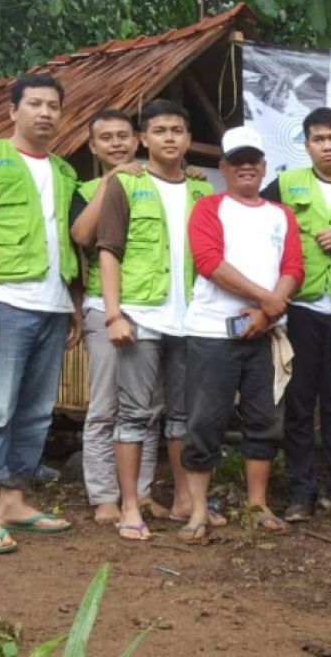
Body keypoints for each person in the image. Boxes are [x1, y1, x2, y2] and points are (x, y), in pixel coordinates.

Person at [0, 72, 80, 555]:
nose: (45, 113)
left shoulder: (64, 172)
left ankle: (15, 501)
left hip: (52, 303)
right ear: (13, 111)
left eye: (53, 106)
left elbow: (72, 239)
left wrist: (72, 304)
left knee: (35, 411)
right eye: (35, 104)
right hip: (3, 300)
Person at [95, 99, 213, 541]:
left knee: (183, 416)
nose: (169, 137)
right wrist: (113, 315)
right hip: (141, 316)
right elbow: (108, 251)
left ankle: (185, 499)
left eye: (177, 130)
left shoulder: (203, 191)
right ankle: (130, 505)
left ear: (187, 139)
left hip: (193, 321)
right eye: (159, 130)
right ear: (143, 139)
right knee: (133, 415)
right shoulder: (126, 184)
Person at [178, 126, 303, 543]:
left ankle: (257, 505)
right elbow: (209, 262)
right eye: (238, 160)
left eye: (254, 160)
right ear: (224, 167)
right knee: (205, 420)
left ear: (265, 166)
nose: (247, 166)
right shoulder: (210, 208)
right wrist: (267, 300)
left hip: (264, 335)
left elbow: (294, 268)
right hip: (212, 331)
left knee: (265, 420)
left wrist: (268, 312)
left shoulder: (280, 214)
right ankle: (197, 509)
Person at [262, 107, 331, 521]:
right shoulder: (285, 184)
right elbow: (252, 215)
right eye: (318, 139)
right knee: (300, 403)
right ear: (306, 145)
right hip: (299, 309)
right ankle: (301, 491)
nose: (326, 146)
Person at [69, 110, 162, 525]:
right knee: (104, 405)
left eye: (123, 136)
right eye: (105, 138)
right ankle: (104, 496)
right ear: (92, 146)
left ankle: (140, 493)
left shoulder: (156, 181)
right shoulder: (84, 187)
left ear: (138, 140)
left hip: (154, 308)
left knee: (149, 407)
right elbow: (81, 236)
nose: (116, 144)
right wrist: (110, 182)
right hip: (102, 308)